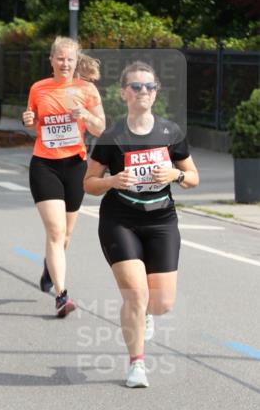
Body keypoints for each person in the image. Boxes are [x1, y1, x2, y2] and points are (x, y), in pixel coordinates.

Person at [84, 61, 199, 388]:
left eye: (149, 87)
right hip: (120, 220)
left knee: (162, 303)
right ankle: (137, 364)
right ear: (124, 93)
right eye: (136, 87)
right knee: (135, 293)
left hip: (161, 220)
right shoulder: (112, 136)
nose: (143, 92)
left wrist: (175, 175)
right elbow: (89, 183)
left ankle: (146, 312)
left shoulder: (170, 133)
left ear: (156, 92)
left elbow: (193, 177)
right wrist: (113, 181)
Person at [22, 36, 105, 317]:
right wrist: (28, 119)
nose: (65, 64)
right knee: (56, 232)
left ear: (76, 61)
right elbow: (33, 118)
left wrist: (85, 115)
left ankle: (50, 266)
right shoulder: (39, 88)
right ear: (51, 60)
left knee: (65, 235)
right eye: (60, 58)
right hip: (44, 165)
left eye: (70, 59)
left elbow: (101, 128)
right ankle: (61, 296)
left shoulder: (86, 89)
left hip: (75, 166)